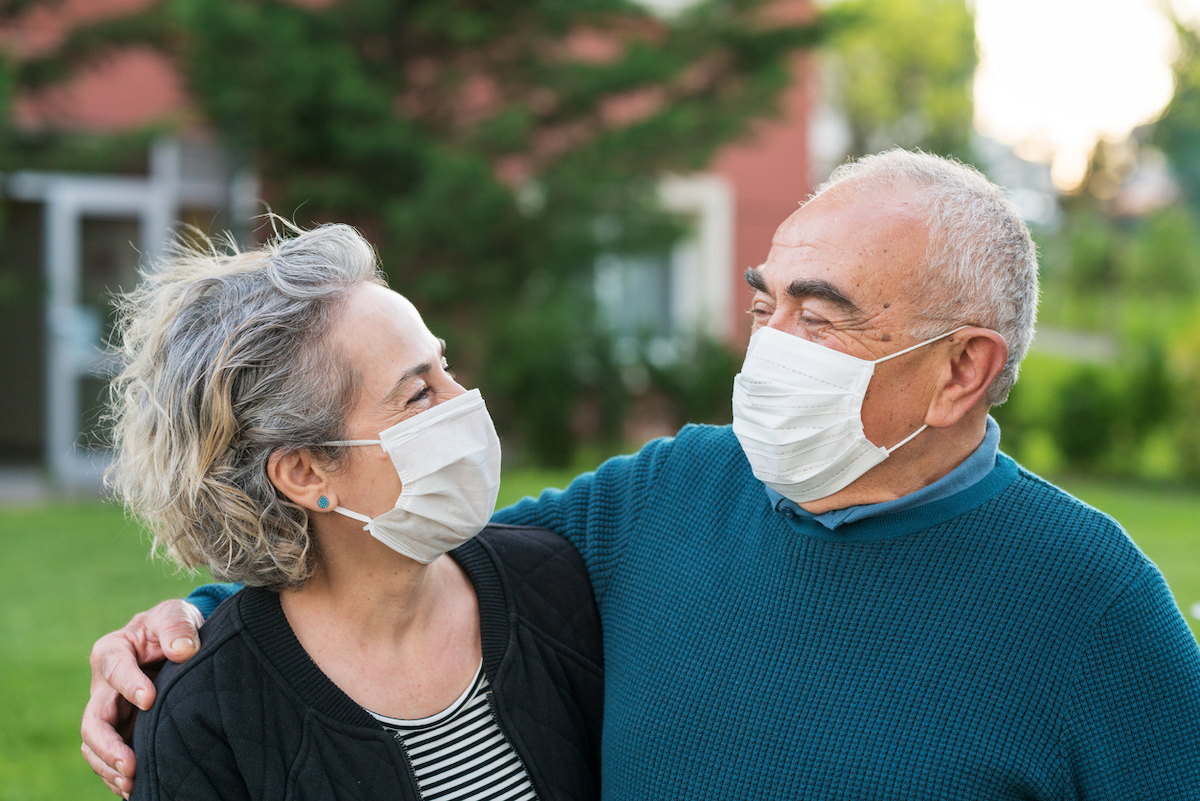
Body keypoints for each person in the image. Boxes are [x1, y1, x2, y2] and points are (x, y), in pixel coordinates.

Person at [86, 150, 1200, 799]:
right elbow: (399, 563)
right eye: (767, 303)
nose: (768, 347)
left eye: (820, 318)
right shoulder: (667, 496)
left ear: (963, 369)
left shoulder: (1093, 603)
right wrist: (189, 621)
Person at [91, 223, 603, 801]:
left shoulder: (553, 586)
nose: (463, 401)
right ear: (306, 473)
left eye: (445, 367)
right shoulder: (204, 715)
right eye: (418, 394)